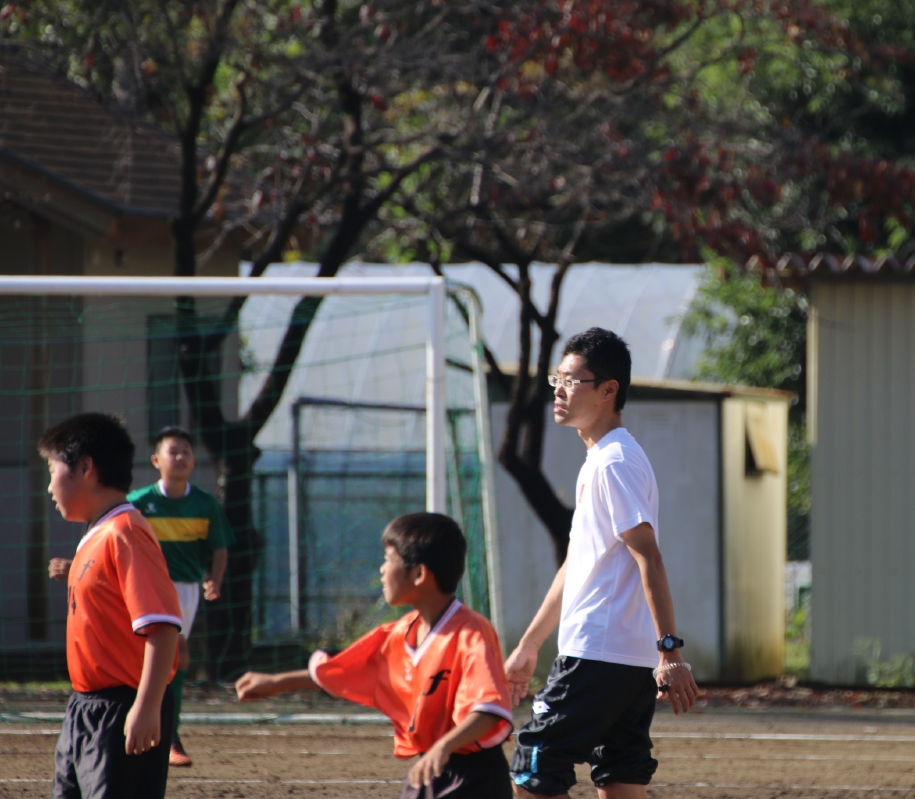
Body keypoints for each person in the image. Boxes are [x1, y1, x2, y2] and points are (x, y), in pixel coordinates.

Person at [506, 327, 699, 799]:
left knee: (535, 762)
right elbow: (578, 564)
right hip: (625, 659)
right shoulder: (605, 459)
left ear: (609, 389)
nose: (558, 389)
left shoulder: (613, 462)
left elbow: (647, 555)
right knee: (619, 774)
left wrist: (670, 651)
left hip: (598, 653)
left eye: (572, 380)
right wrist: (530, 644)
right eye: (557, 378)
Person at [235, 512, 513, 799]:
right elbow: (342, 672)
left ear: (419, 574)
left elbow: (488, 710)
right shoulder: (397, 634)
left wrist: (444, 746)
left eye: (388, 559)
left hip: (475, 778)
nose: (381, 570)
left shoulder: (471, 633)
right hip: (429, 770)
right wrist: (276, 682)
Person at [51, 425, 233, 768]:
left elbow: (219, 548)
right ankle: (162, 727)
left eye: (186, 452)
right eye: (172, 451)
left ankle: (165, 728)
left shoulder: (203, 503)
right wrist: (77, 567)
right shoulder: (131, 507)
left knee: (173, 651)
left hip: (183, 587)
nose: (180, 457)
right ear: (155, 460)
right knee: (166, 651)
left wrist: (215, 580)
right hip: (139, 587)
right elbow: (107, 553)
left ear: (194, 461)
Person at [40, 412, 182, 799]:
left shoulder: (126, 532)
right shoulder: (98, 533)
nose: (49, 486)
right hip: (84, 708)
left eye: (52, 471)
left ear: (86, 468)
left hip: (121, 708)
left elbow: (163, 627)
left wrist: (147, 706)